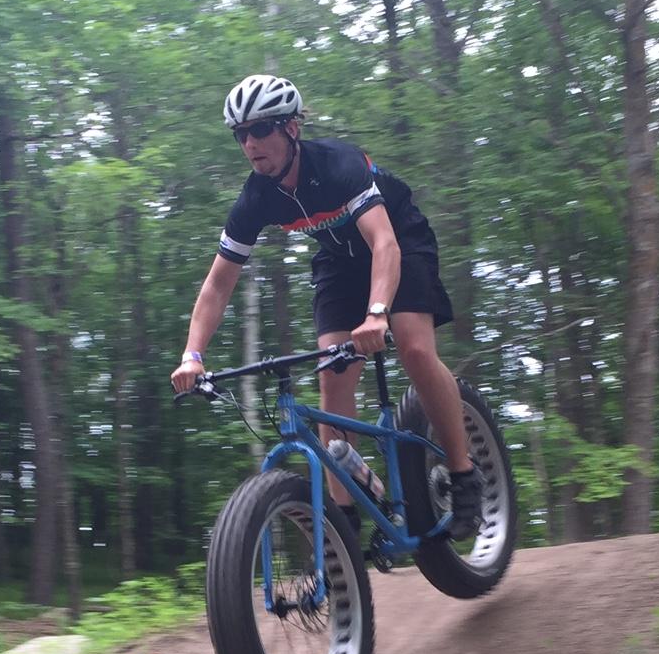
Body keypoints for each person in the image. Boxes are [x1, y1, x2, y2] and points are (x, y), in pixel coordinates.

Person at [169, 73, 482, 541]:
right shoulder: (256, 197)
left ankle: (463, 475)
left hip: (400, 242)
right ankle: (345, 521)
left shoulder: (338, 164)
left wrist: (377, 313)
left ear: (291, 129)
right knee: (332, 373)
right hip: (339, 260)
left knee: (415, 350)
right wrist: (192, 354)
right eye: (240, 134)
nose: (249, 144)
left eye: (260, 130)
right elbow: (218, 284)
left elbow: (384, 243)